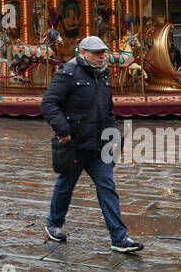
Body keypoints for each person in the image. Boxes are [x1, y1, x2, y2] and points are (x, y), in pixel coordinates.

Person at [40, 35, 144, 253]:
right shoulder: (67, 73)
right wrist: (63, 129)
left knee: (107, 188)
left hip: (98, 146)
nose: (102, 57)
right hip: (75, 144)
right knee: (65, 186)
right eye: (97, 53)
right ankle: (54, 224)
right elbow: (49, 103)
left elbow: (107, 110)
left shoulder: (103, 75)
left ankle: (119, 237)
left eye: (103, 53)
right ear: (83, 52)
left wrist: (114, 135)